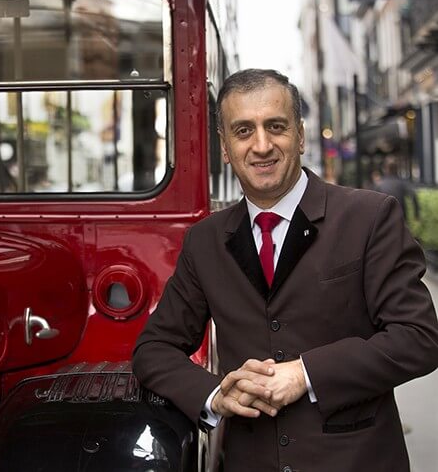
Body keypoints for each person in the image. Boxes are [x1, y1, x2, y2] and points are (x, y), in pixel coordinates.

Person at [132, 69, 438, 471]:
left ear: (301, 136)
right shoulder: (204, 241)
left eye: (275, 126)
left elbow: (418, 338)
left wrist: (305, 373)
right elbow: (153, 348)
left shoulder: (370, 216)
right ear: (225, 147)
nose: (262, 146)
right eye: (243, 131)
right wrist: (215, 395)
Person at [373, 155, 420, 220]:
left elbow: (373, 204)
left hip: (385, 220)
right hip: (400, 219)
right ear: (397, 168)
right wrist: (416, 215)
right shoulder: (402, 183)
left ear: (385, 168)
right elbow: (413, 196)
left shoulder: (379, 184)